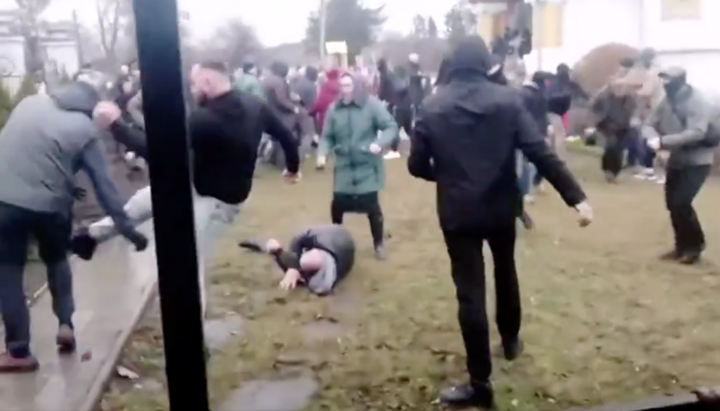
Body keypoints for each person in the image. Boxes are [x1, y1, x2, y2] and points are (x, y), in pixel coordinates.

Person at [407, 36, 592, 408]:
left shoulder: (432, 105)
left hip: (458, 209)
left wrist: (444, 175)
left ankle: (480, 382)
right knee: (505, 271)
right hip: (499, 206)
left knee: (469, 291)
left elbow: (415, 164)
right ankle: (510, 340)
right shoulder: (508, 101)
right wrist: (577, 198)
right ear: (486, 65)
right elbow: (539, 151)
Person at [80, 61, 301, 316]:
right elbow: (286, 136)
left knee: (188, 263)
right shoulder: (255, 105)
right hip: (195, 183)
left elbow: (161, 153)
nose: (193, 89)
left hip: (217, 203)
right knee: (140, 203)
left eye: (195, 83)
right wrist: (292, 168)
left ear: (207, 83)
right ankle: (90, 237)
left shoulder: (205, 119)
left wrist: (117, 125)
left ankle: (193, 334)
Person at [0, 75, 148, 373]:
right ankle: (65, 323)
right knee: (56, 261)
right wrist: (130, 232)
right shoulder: (86, 132)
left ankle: (18, 352)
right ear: (91, 107)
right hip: (54, 208)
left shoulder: (29, 103)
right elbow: (106, 189)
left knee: (8, 272)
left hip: (5, 202)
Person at [317, 73, 398, 260]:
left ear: (357, 86)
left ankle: (378, 244)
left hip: (367, 166)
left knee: (372, 207)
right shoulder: (334, 109)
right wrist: (323, 153)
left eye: (348, 85)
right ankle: (336, 243)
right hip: (344, 167)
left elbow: (390, 126)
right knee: (338, 206)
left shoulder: (372, 105)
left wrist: (380, 143)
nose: (345, 90)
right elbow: (327, 136)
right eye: (342, 86)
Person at [645, 67, 719, 264]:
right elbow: (649, 123)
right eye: (663, 79)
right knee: (672, 204)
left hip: (698, 161)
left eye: (669, 79)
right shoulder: (667, 100)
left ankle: (695, 247)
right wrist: (652, 137)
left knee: (681, 202)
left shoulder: (697, 101)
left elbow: (697, 132)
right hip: (677, 159)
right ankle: (681, 247)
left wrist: (663, 141)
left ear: (680, 81)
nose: (665, 83)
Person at [239, 224, 355, 295]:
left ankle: (269, 245)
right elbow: (298, 239)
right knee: (293, 260)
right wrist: (294, 268)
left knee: (281, 254)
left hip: (334, 253)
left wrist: (293, 267)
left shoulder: (319, 281)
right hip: (335, 239)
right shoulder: (321, 239)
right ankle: (270, 246)